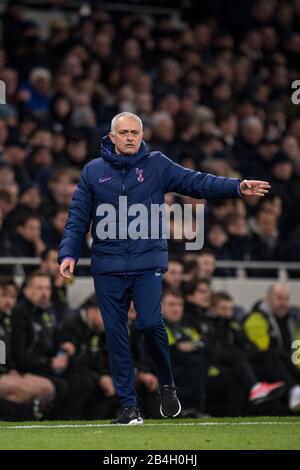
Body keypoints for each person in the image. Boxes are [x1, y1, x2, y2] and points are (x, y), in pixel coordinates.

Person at [58, 111, 270, 425]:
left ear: (141, 136)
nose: (130, 137)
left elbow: (197, 183)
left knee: (147, 323)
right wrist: (68, 253)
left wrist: (236, 187)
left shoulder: (158, 165)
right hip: (107, 266)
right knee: (115, 336)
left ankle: (167, 383)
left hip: (147, 263)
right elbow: (77, 217)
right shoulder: (93, 171)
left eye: (135, 132)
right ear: (112, 137)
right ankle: (128, 407)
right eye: (124, 132)